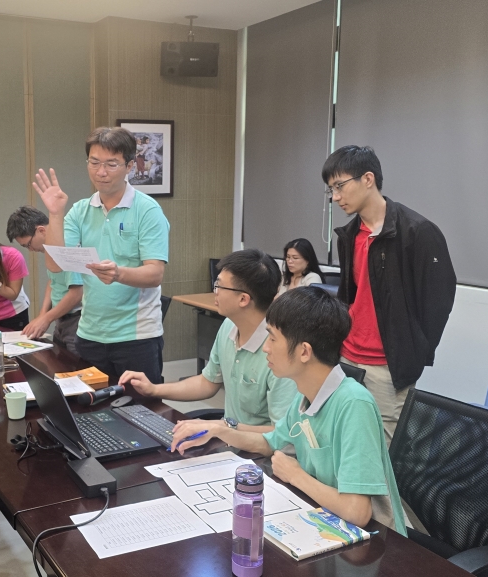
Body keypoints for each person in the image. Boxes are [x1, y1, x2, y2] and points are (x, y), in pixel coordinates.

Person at [170, 287, 407, 534]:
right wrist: (220, 430)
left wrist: (295, 475)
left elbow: (357, 511)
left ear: (304, 351)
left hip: (376, 543)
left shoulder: (353, 404)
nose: (266, 348)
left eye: (272, 338)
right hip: (326, 523)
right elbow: (271, 442)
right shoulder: (306, 395)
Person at [325, 145, 456, 443]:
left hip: (388, 365)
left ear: (367, 179)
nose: (335, 197)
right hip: (347, 355)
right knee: (346, 439)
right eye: (331, 190)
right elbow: (350, 296)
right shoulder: (349, 235)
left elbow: (438, 302)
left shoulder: (417, 232)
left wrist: (412, 353)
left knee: (382, 451)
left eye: (340, 186)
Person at [33, 126, 170, 384]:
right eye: (94, 162)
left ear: (130, 166)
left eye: (111, 164)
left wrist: (119, 274)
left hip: (136, 337)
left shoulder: (147, 210)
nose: (101, 172)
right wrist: (55, 214)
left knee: (139, 406)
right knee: (90, 404)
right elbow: (55, 264)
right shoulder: (80, 210)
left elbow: (155, 274)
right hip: (90, 334)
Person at [119, 249, 297, 432]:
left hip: (258, 449)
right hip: (231, 439)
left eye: (219, 286)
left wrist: (221, 428)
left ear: (243, 299)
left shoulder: (281, 351)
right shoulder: (229, 325)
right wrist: (153, 389)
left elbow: (283, 434)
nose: (215, 292)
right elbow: (207, 383)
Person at [6, 206, 84, 355]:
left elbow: (77, 292)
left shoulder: (66, 244)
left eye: (28, 244)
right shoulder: (50, 247)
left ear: (41, 230)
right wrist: (42, 315)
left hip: (77, 319)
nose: (30, 250)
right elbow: (53, 282)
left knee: (74, 366)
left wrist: (46, 318)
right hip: (61, 318)